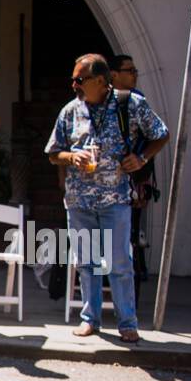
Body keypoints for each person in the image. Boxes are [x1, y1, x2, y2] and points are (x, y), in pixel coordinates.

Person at [46, 53, 168, 343]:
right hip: (79, 201)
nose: (74, 84)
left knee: (119, 263)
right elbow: (53, 153)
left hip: (115, 199)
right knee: (86, 262)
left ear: (100, 81)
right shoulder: (70, 111)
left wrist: (141, 158)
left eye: (80, 79)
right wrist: (72, 156)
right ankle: (90, 319)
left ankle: (127, 322)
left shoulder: (130, 104)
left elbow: (161, 134)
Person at [110, 53, 155, 302]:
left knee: (128, 242)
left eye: (135, 69)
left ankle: (128, 302)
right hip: (101, 186)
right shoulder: (100, 101)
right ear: (114, 74)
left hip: (130, 181)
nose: (134, 74)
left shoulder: (138, 101)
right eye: (129, 70)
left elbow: (153, 138)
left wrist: (143, 183)